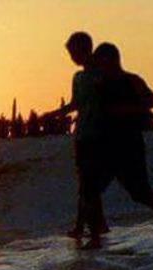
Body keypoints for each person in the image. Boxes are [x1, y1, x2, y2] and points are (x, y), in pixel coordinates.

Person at [82, 43, 153, 246]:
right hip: (105, 142)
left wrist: (128, 109)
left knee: (138, 192)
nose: (98, 64)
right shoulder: (99, 83)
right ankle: (95, 237)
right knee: (90, 190)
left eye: (101, 59)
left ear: (112, 59)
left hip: (129, 142)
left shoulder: (131, 80)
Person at [51, 32, 109, 242]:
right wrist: (55, 114)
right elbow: (75, 103)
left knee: (89, 185)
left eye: (74, 52)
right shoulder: (79, 77)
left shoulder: (101, 75)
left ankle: (92, 232)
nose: (72, 58)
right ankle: (89, 226)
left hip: (99, 135)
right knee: (85, 183)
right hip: (82, 136)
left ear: (85, 49)